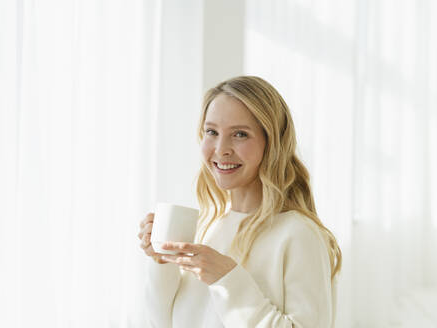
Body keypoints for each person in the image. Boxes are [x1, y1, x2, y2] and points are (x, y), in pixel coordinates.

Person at [138, 76, 342, 327]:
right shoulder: (208, 227)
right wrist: (162, 262)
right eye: (211, 132)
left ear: (272, 144)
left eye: (240, 134)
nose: (221, 149)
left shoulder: (299, 234)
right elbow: (162, 322)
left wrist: (227, 280)